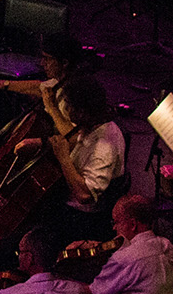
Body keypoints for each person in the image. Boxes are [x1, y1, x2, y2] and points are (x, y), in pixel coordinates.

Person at [14, 74, 126, 237]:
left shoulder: (104, 147)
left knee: (27, 229)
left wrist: (64, 158)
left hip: (81, 219)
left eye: (68, 106)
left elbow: (85, 196)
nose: (65, 110)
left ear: (82, 111)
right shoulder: (90, 125)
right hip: (68, 203)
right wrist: (41, 143)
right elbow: (74, 142)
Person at [88, 193, 173, 294]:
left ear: (133, 224)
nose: (114, 228)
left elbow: (95, 293)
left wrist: (62, 284)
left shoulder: (125, 258)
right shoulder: (168, 246)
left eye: (116, 222)